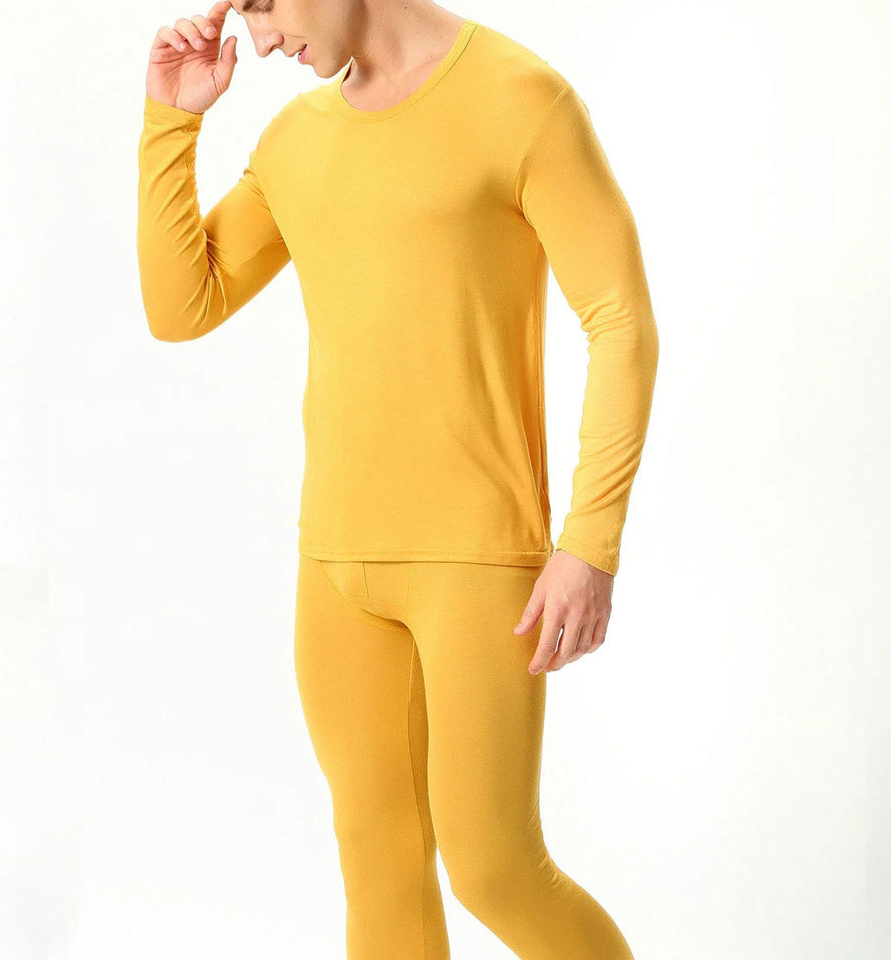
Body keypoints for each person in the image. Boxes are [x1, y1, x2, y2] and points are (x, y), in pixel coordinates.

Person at [137, 1, 658, 956]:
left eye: (262, 4)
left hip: (477, 565)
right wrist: (172, 120)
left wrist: (591, 542)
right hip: (334, 567)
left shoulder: (522, 100)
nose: (259, 39)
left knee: (496, 869)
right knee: (378, 863)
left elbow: (620, 320)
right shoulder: (295, 140)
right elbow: (183, 307)